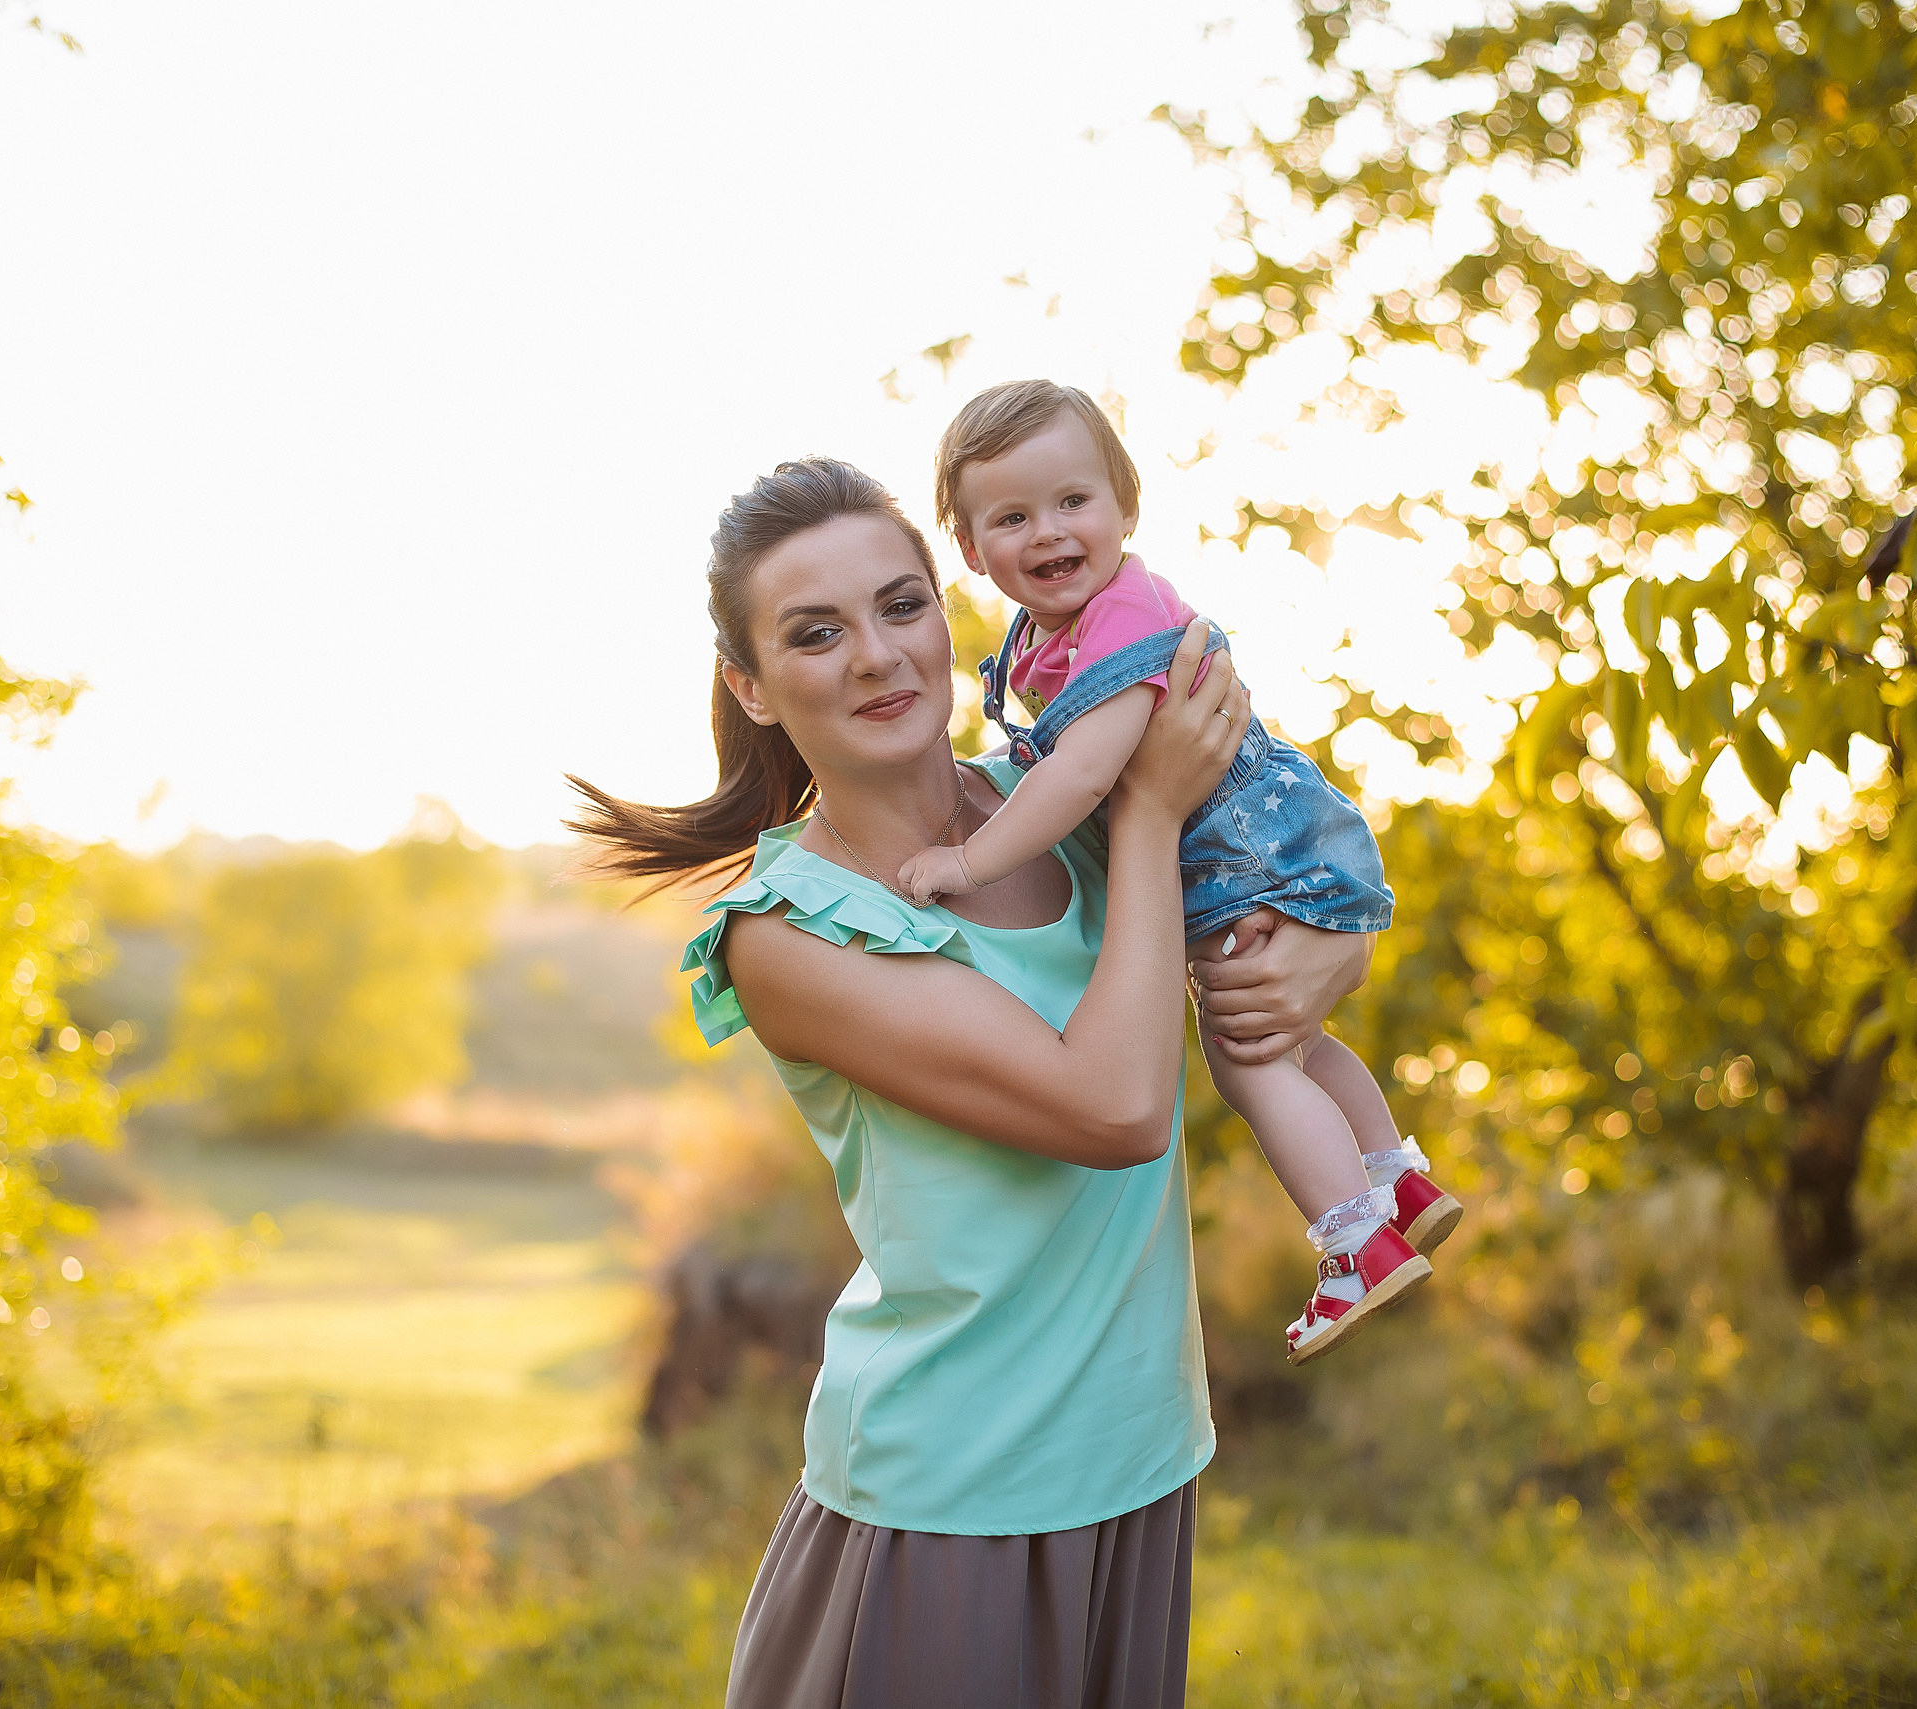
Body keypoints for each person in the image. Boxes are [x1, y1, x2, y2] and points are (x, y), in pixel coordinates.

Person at [567, 456, 1371, 1709]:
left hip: (1140, 1458)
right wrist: (1149, 814)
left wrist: (1330, 953)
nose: (878, 655)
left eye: (902, 605)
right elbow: (1115, 1107)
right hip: (954, 1494)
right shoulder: (791, 930)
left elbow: (1277, 901)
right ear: (751, 684)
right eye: (815, 633)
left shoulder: (1058, 799)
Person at [903, 380, 1461, 1365]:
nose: (1048, 530)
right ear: (971, 548)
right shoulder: (1047, 635)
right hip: (1266, 850)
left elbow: (1084, 775)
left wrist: (967, 857)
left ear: (1125, 506)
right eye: (1012, 516)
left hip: (1250, 852)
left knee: (1248, 1058)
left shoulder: (1125, 616)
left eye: (1073, 500)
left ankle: (1355, 1245)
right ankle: (1395, 1181)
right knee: (1288, 1037)